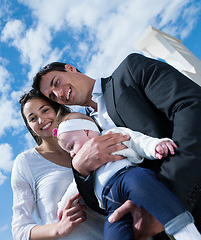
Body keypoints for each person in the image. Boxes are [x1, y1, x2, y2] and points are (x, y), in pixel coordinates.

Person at [32, 53, 201, 235]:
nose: (58, 94)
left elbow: (191, 107)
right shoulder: (83, 131)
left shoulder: (130, 70)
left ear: (70, 68)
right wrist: (81, 170)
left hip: (190, 192)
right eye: (52, 96)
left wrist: (164, 200)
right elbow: (99, 198)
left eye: (56, 83)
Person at [11, 89, 163, 240]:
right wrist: (58, 229)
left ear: (58, 109)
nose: (41, 120)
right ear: (29, 126)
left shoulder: (91, 139)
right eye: (32, 118)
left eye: (45, 110)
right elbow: (20, 231)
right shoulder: (26, 162)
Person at [54, 111, 200, 240]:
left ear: (87, 132)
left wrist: (156, 146)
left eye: (71, 146)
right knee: (112, 227)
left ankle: (184, 230)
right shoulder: (84, 163)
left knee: (141, 182)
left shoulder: (111, 135)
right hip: (110, 203)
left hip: (126, 177)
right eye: (69, 152)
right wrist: (63, 204)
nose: (72, 154)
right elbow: (75, 186)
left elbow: (138, 141)